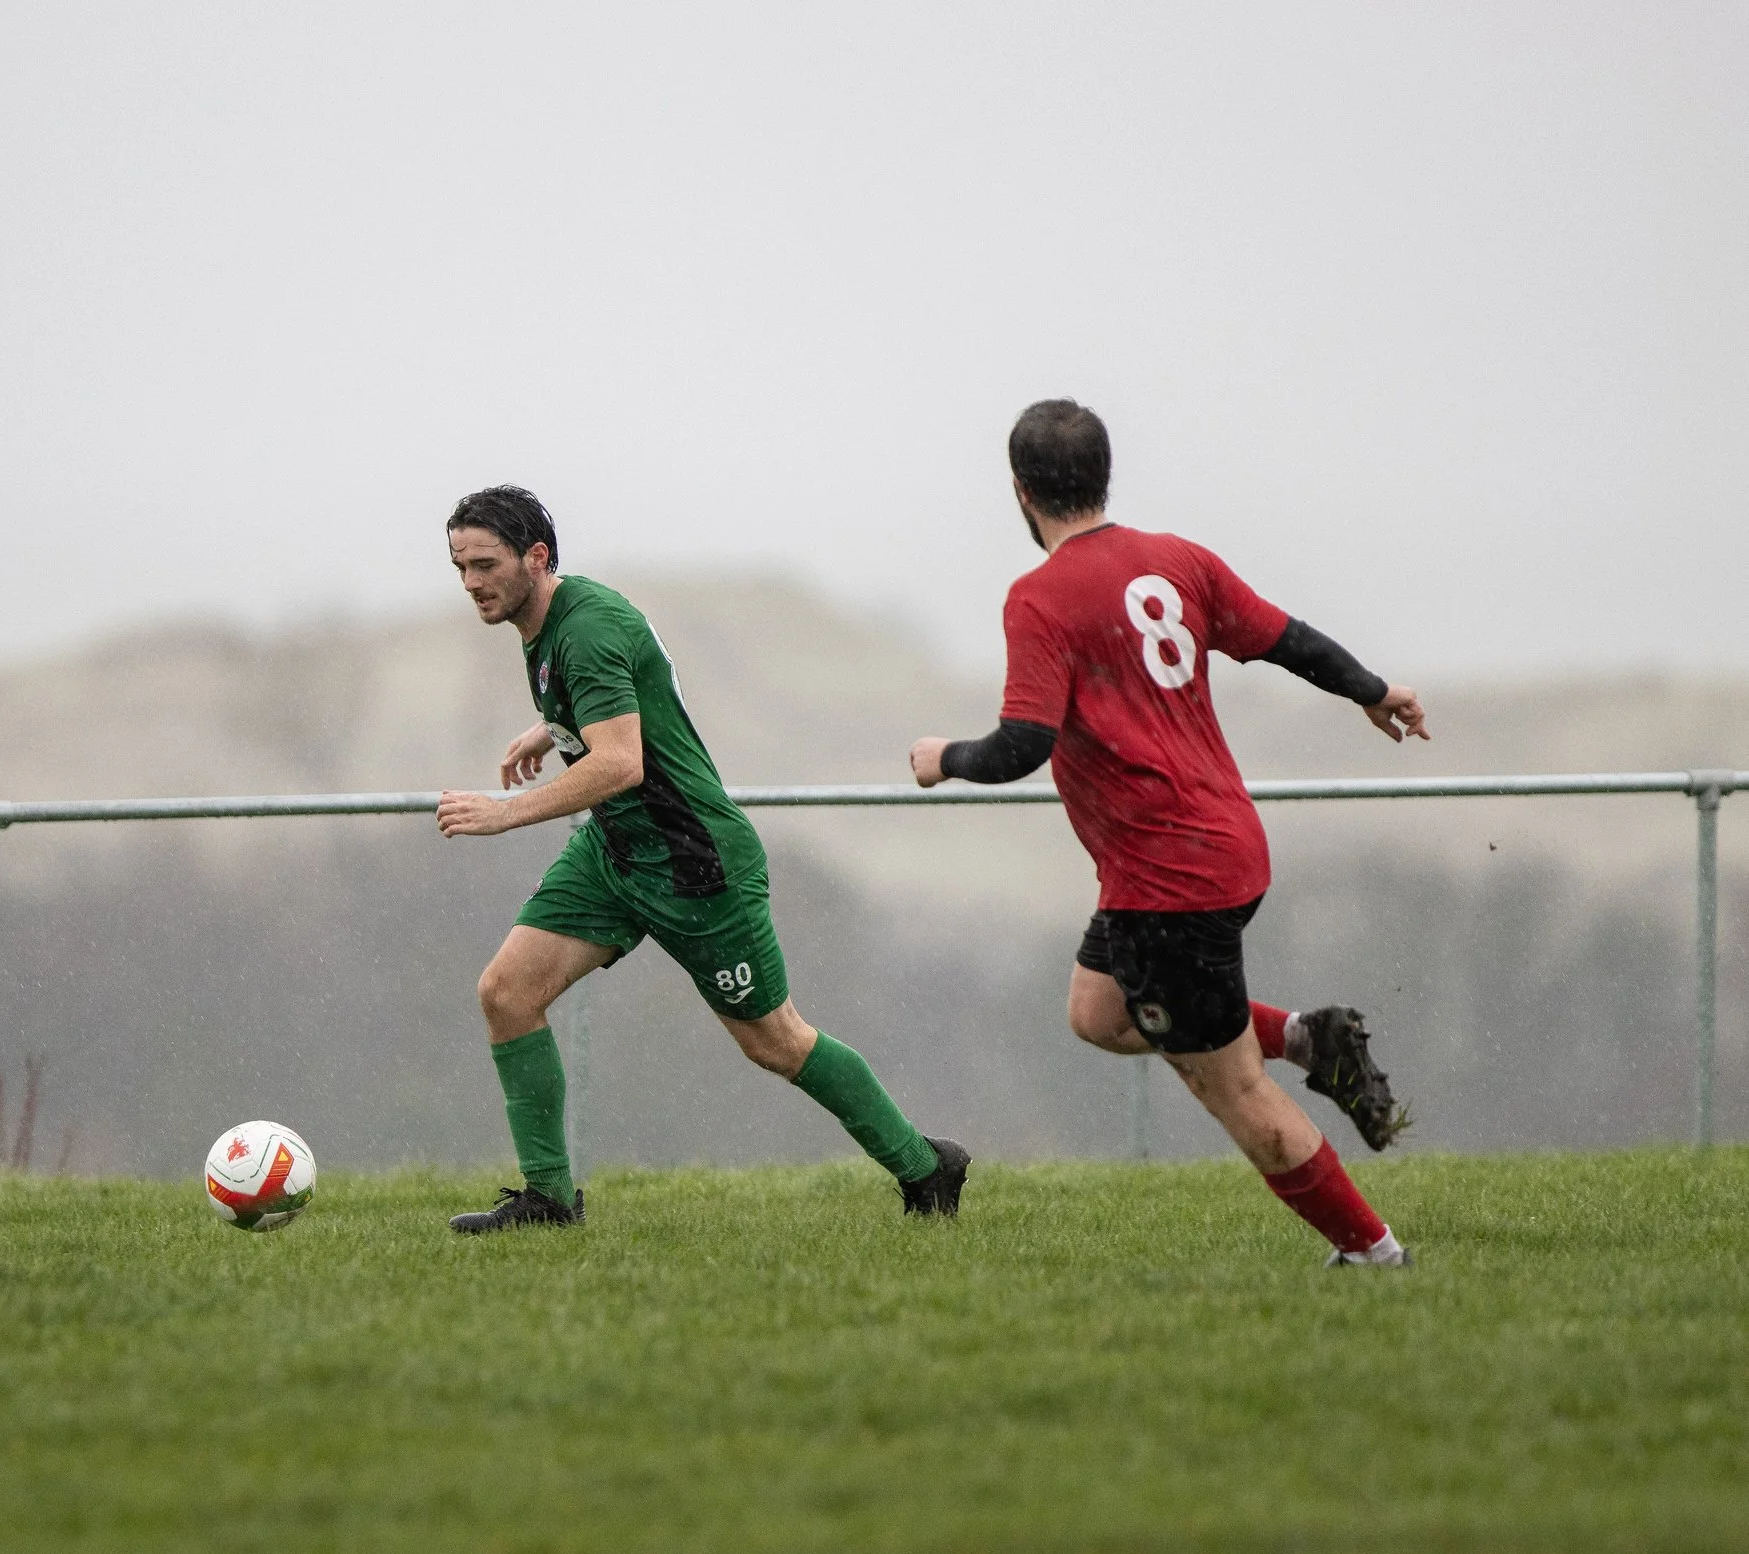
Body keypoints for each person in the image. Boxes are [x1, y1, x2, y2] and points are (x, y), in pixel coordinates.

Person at [907, 400, 1426, 1268]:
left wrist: (943, 758)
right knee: (1099, 1011)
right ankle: (1308, 1038)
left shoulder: (1039, 597)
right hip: (1219, 848)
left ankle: (1373, 1253)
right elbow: (1286, 639)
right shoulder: (1176, 561)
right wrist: (1373, 689)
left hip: (1169, 880)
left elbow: (1021, 745)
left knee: (1233, 1090)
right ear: (1104, 476)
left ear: (1020, 490)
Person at [436, 484, 967, 1232]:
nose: (471, 584)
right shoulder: (551, 617)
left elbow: (620, 763)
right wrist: (549, 727)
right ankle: (549, 1202)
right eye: (459, 567)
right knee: (506, 994)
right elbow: (616, 703)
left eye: (484, 564)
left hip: (694, 863)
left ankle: (926, 1167)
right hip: (615, 853)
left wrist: (503, 815)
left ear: (537, 556)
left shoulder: (586, 628)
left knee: (775, 1042)